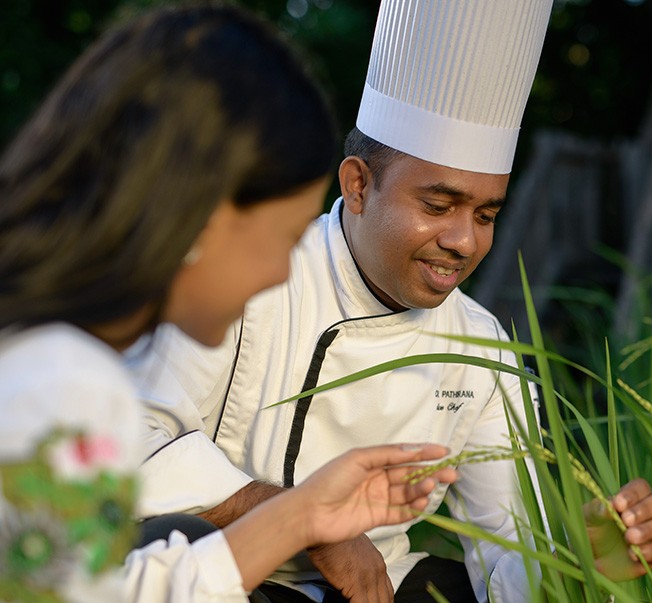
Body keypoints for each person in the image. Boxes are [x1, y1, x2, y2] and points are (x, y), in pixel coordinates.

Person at [131, 1, 652, 601]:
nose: (464, 242)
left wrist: (579, 557)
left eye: (486, 214)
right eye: (438, 207)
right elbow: (132, 446)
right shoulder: (247, 278)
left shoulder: (484, 349)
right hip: (235, 578)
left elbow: (507, 554)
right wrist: (310, 523)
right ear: (358, 185)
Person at [0, 4, 458, 602]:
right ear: (198, 216)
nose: (279, 273)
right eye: (282, 237)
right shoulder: (53, 377)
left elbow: (99, 588)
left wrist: (302, 514)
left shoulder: (70, 363)